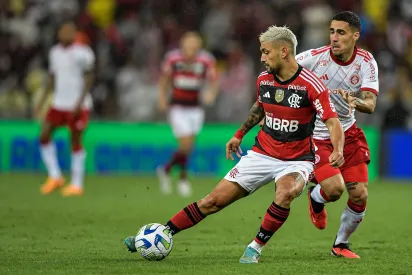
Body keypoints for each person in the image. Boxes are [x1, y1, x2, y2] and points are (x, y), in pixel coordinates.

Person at [124, 25, 345, 264]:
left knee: (285, 192)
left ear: (284, 52)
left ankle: (255, 247)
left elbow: (333, 122)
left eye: (266, 52)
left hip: (297, 160)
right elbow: (259, 107)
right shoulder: (264, 80)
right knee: (212, 202)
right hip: (262, 154)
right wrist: (239, 134)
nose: (262, 58)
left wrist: (338, 149)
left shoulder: (311, 85)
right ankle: (162, 232)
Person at [296, 11, 379, 258]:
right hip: (318, 135)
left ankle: (340, 244)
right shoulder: (314, 58)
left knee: (360, 194)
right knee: (334, 190)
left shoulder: (366, 62)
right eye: (332, 31)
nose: (334, 37)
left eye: (341, 32)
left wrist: (354, 100)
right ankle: (316, 196)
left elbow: (371, 104)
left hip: (349, 132)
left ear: (355, 36)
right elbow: (283, 68)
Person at [156, 31, 219, 197]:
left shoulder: (206, 60)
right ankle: (183, 179)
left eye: (195, 43)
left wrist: (211, 93)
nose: (192, 46)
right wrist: (162, 98)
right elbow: (164, 80)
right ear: (183, 44)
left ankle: (166, 170)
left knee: (188, 146)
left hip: (196, 108)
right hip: (177, 107)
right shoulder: (173, 59)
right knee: (185, 144)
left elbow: (214, 80)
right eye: (189, 42)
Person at [36, 21, 95, 197]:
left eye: (70, 31)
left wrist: (80, 101)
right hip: (58, 103)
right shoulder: (54, 52)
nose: (66, 34)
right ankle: (55, 176)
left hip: (78, 105)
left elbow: (89, 78)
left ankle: (77, 184)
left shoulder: (83, 52)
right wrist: (43, 100)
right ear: (59, 33)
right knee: (44, 135)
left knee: (75, 141)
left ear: (74, 33)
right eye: (63, 31)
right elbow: (53, 79)